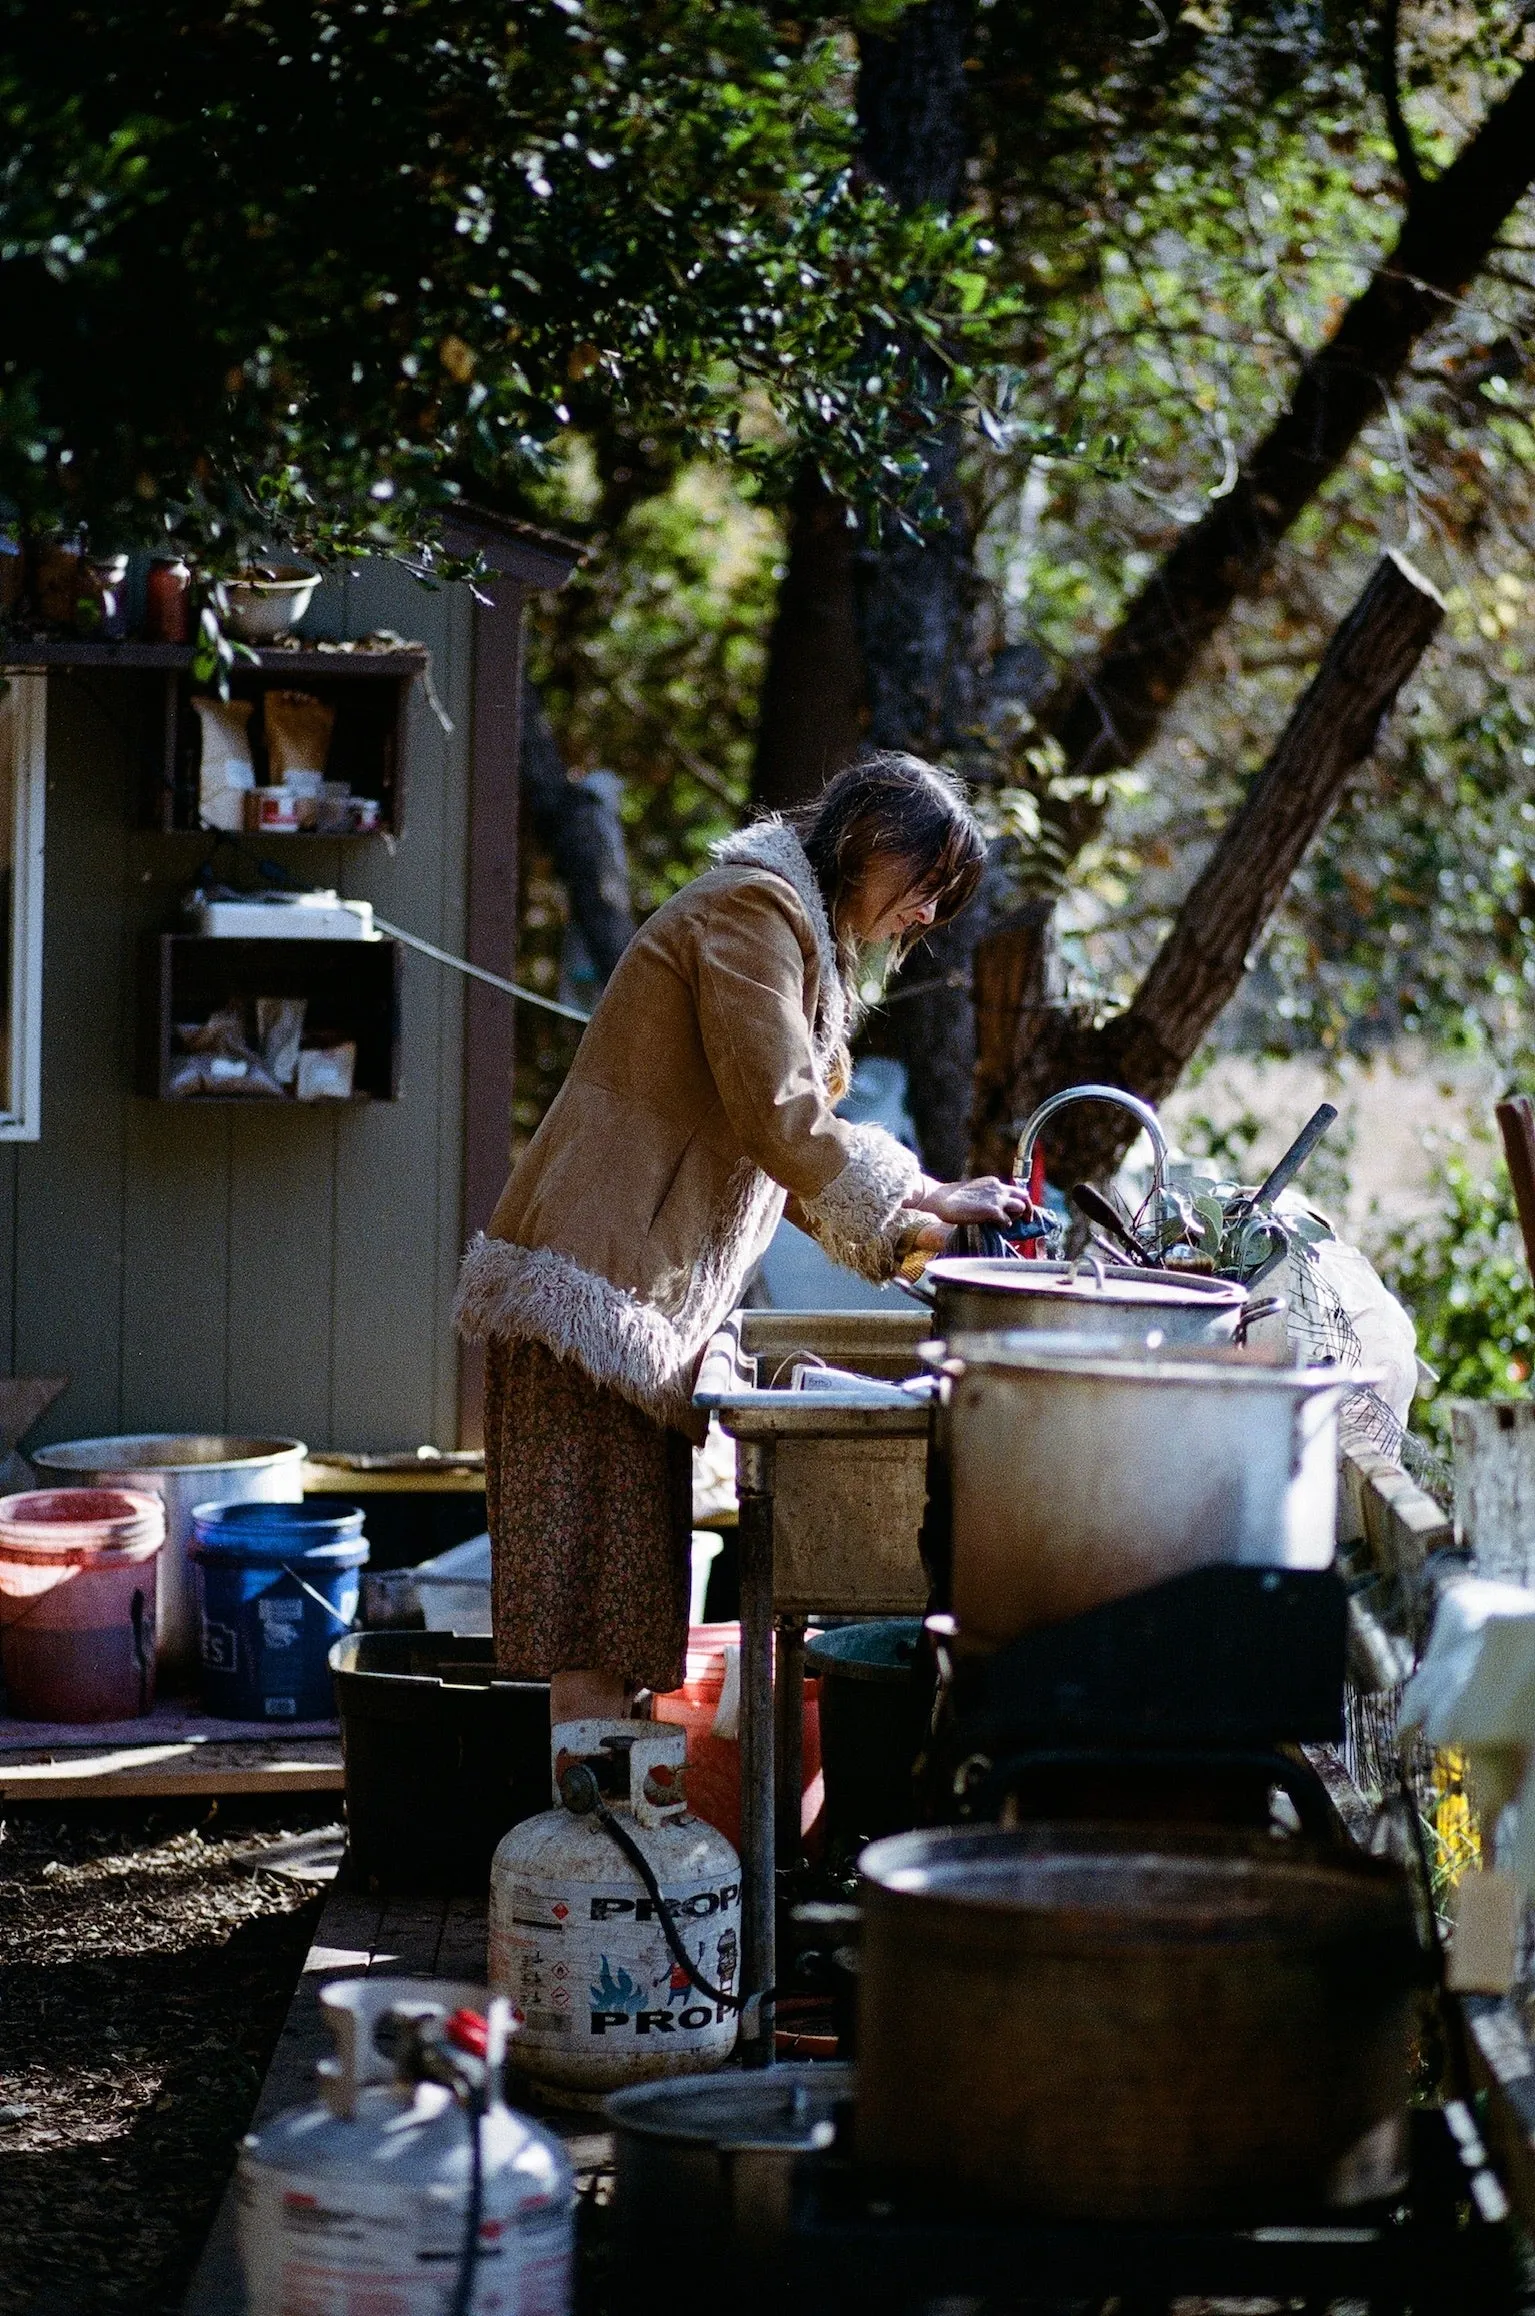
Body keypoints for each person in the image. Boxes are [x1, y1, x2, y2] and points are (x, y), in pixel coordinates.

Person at [455, 751, 1032, 1724]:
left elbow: (791, 1168)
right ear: (862, 843)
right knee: (592, 1629)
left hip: (626, 1316)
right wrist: (927, 1191)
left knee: (626, 1625)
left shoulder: (789, 943)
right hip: (585, 1303)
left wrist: (927, 1232)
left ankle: (614, 1850)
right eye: (923, 885)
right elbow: (780, 1114)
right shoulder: (750, 912)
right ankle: (591, 1861)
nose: (927, 918)